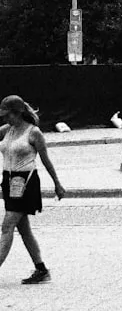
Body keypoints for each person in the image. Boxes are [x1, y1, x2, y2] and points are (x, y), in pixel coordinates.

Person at [0, 95, 65, 284]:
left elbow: (45, 159)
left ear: (18, 112)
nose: (5, 119)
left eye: (8, 115)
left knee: (7, 226)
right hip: (9, 182)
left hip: (26, 183)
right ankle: (41, 270)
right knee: (24, 229)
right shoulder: (7, 130)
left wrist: (57, 184)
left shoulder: (33, 133)